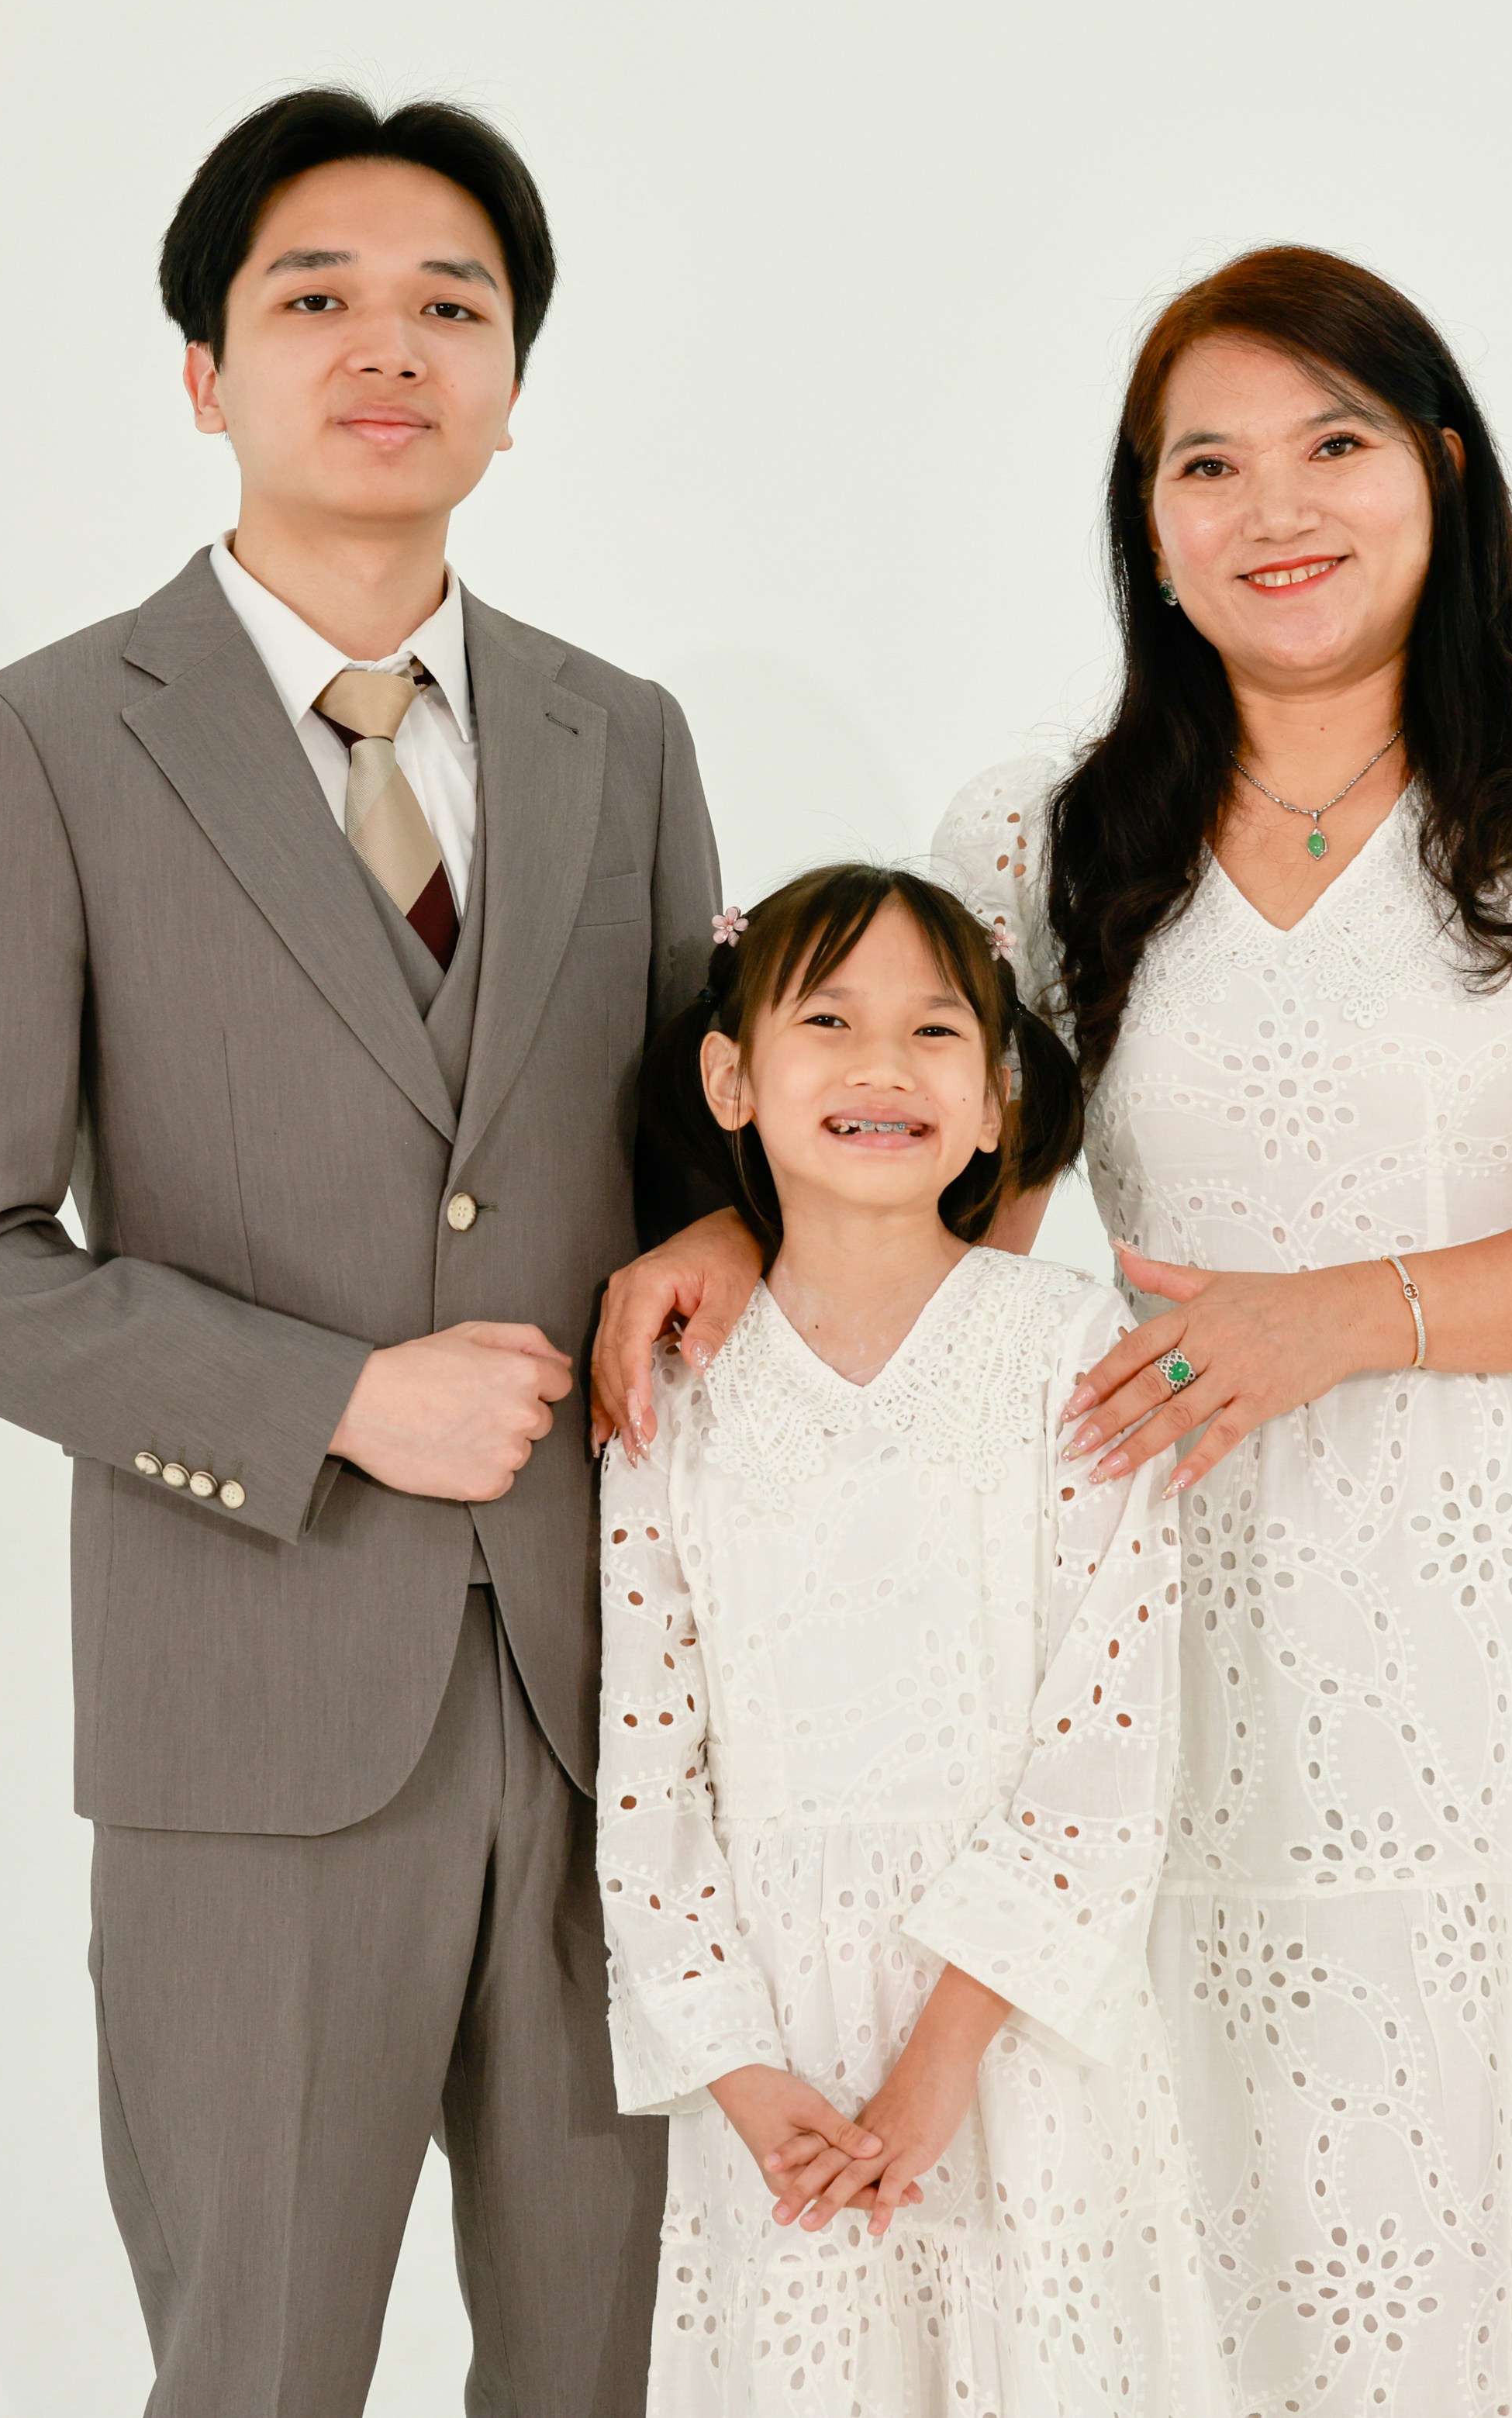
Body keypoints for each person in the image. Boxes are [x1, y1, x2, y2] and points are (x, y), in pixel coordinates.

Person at [598, 247, 1512, 2411]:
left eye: (1335, 446)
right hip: (1149, 1655)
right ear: (1146, 525)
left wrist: (1337, 1321)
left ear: (1439, 474)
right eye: (1207, 464)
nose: (1277, 507)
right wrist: (723, 1241)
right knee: (1212, 2232)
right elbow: (932, 1182)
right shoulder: (1042, 836)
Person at [0, 88, 744, 2416]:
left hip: (612, 1707)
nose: (388, 346)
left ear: (515, 382)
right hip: (245, 1719)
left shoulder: (619, 737)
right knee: (253, 2365)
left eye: (451, 304)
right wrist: (332, 1395)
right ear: (202, 369)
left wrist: (730, 1243)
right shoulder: (47, 740)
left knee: (608, 2366)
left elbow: (694, 1157)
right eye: (313, 298)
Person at [595, 865, 1227, 2416]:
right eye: (828, 1021)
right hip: (778, 2051)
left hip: (1015, 2036)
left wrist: (946, 2053)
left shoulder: (1065, 1349)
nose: (882, 1065)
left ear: (999, 1097)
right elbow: (643, 1772)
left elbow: (1107, 1734)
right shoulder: (676, 1388)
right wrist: (742, 2071)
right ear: (731, 1078)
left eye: (935, 1032)